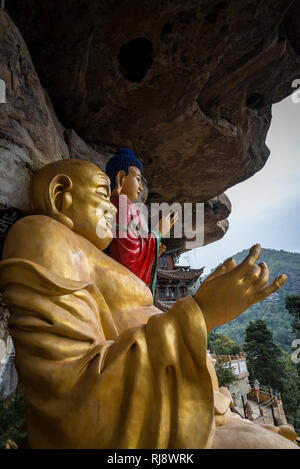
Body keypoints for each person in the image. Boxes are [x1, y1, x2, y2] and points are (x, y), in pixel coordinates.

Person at [0, 160, 297, 449]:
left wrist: (236, 421)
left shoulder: (94, 253)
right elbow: (70, 388)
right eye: (103, 195)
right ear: (59, 195)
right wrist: (201, 312)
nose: (112, 208)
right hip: (151, 423)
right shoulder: (44, 236)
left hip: (187, 409)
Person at [106, 148, 176, 294]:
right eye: (138, 179)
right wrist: (158, 232)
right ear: (121, 178)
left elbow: (131, 249)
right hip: (123, 285)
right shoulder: (122, 204)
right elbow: (128, 258)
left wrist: (154, 252)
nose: (141, 187)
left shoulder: (118, 206)